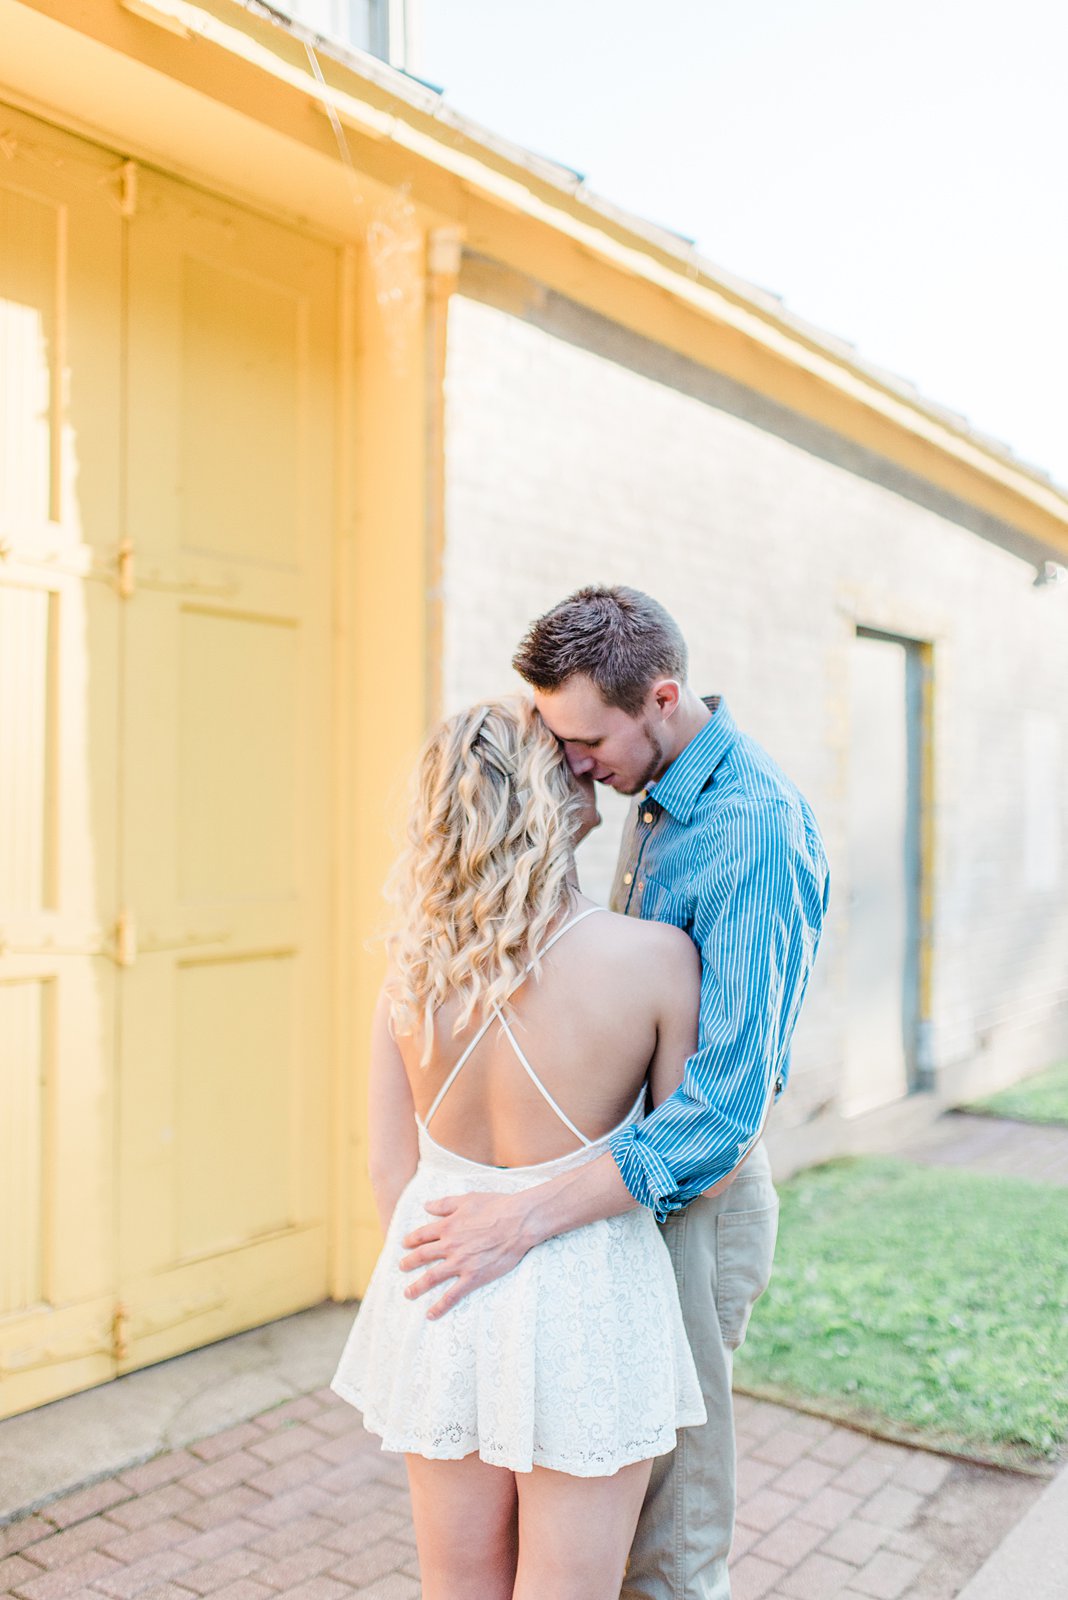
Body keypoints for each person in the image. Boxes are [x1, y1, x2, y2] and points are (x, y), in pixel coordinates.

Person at [399, 586, 830, 1600]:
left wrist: (520, 1219)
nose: (573, 764)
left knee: (666, 1528)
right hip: (605, 1193)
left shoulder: (751, 828)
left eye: (587, 740)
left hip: (688, 1199)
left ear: (663, 697)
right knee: (595, 1508)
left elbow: (722, 1112)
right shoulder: (657, 783)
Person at [329, 694, 708, 1600]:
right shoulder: (656, 959)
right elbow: (689, 1153)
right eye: (567, 760)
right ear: (546, 799)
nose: (587, 768)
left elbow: (392, 1170)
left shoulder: (410, 973)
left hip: (441, 1280)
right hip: (589, 1295)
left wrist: (446, 1292)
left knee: (455, 1585)